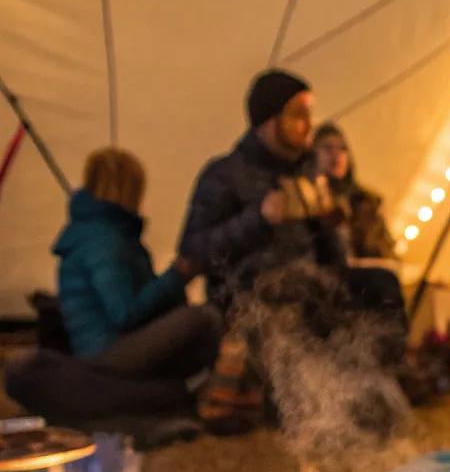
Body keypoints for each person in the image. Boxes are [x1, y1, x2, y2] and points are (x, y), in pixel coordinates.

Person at [178, 69, 345, 316]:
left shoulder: (305, 175)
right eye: (298, 115)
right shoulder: (225, 175)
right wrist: (257, 220)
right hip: (249, 302)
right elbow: (193, 252)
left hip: (309, 292)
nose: (308, 125)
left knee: (379, 285)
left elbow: (331, 260)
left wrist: (328, 223)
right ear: (270, 120)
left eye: (309, 115)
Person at [53, 148, 220, 394]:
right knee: (204, 318)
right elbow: (124, 313)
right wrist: (177, 276)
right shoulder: (104, 240)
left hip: (100, 349)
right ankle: (186, 391)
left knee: (196, 318)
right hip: (107, 355)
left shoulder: (101, 232)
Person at [314, 122, 396, 260]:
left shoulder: (367, 202)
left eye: (342, 149)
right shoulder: (307, 198)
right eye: (328, 148)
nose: (336, 155)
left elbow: (384, 251)